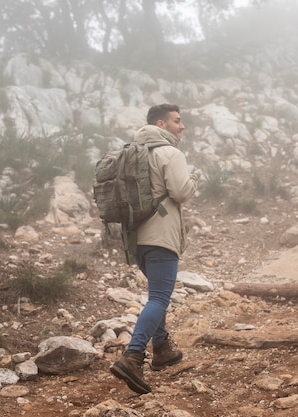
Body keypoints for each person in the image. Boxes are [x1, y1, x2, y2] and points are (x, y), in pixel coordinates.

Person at [110, 104, 199, 394]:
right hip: (161, 237)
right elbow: (181, 192)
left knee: (155, 294)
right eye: (177, 121)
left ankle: (161, 349)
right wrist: (195, 178)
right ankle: (132, 357)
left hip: (136, 240)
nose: (182, 126)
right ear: (161, 124)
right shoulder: (170, 153)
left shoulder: (132, 154)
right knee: (160, 297)